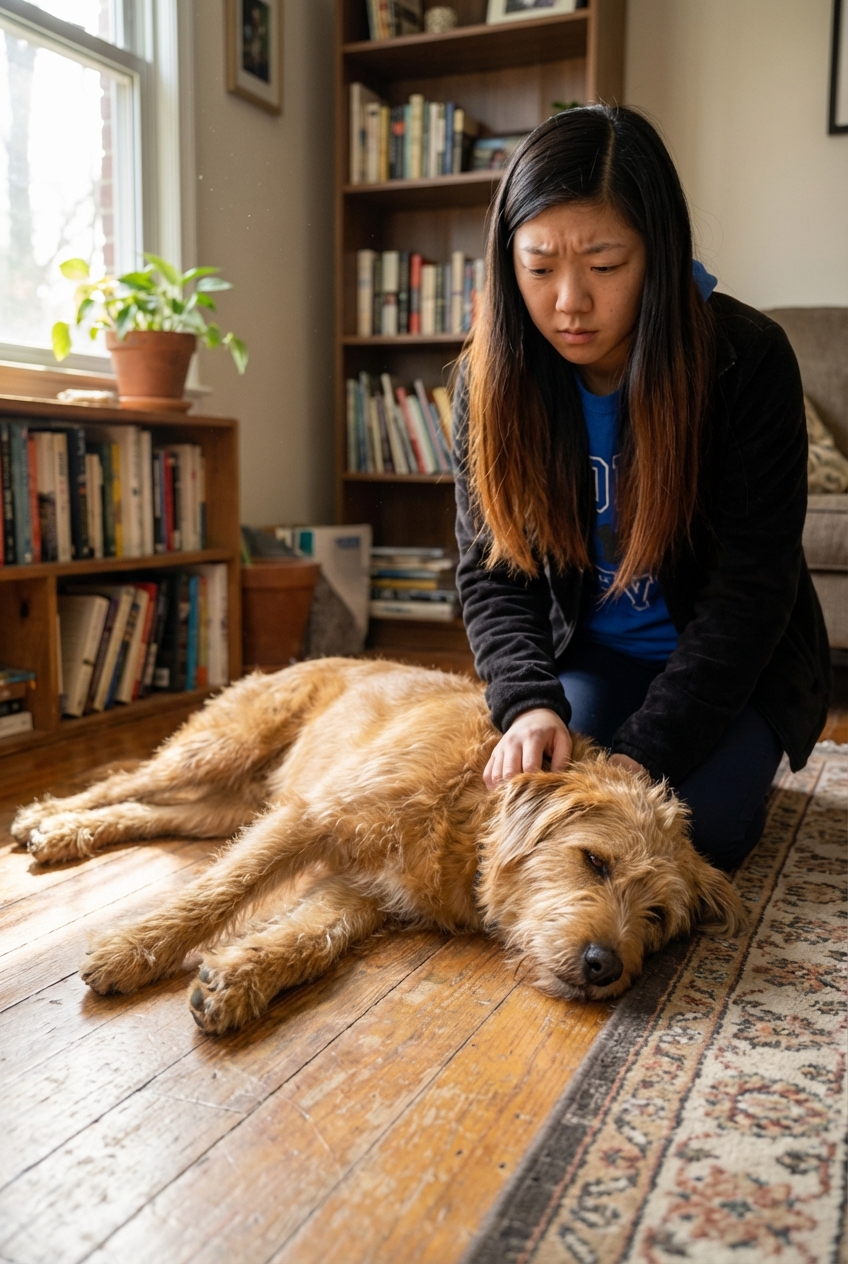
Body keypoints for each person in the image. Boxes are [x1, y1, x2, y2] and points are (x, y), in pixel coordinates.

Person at [453, 105, 830, 872]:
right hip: (594, 652)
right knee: (542, 803)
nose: (569, 302)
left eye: (604, 265)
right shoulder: (486, 383)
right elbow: (493, 573)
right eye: (540, 267)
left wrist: (642, 755)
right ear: (507, 261)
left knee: (701, 833)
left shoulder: (746, 360)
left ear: (658, 253)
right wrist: (527, 699)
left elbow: (751, 593)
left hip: (730, 662)